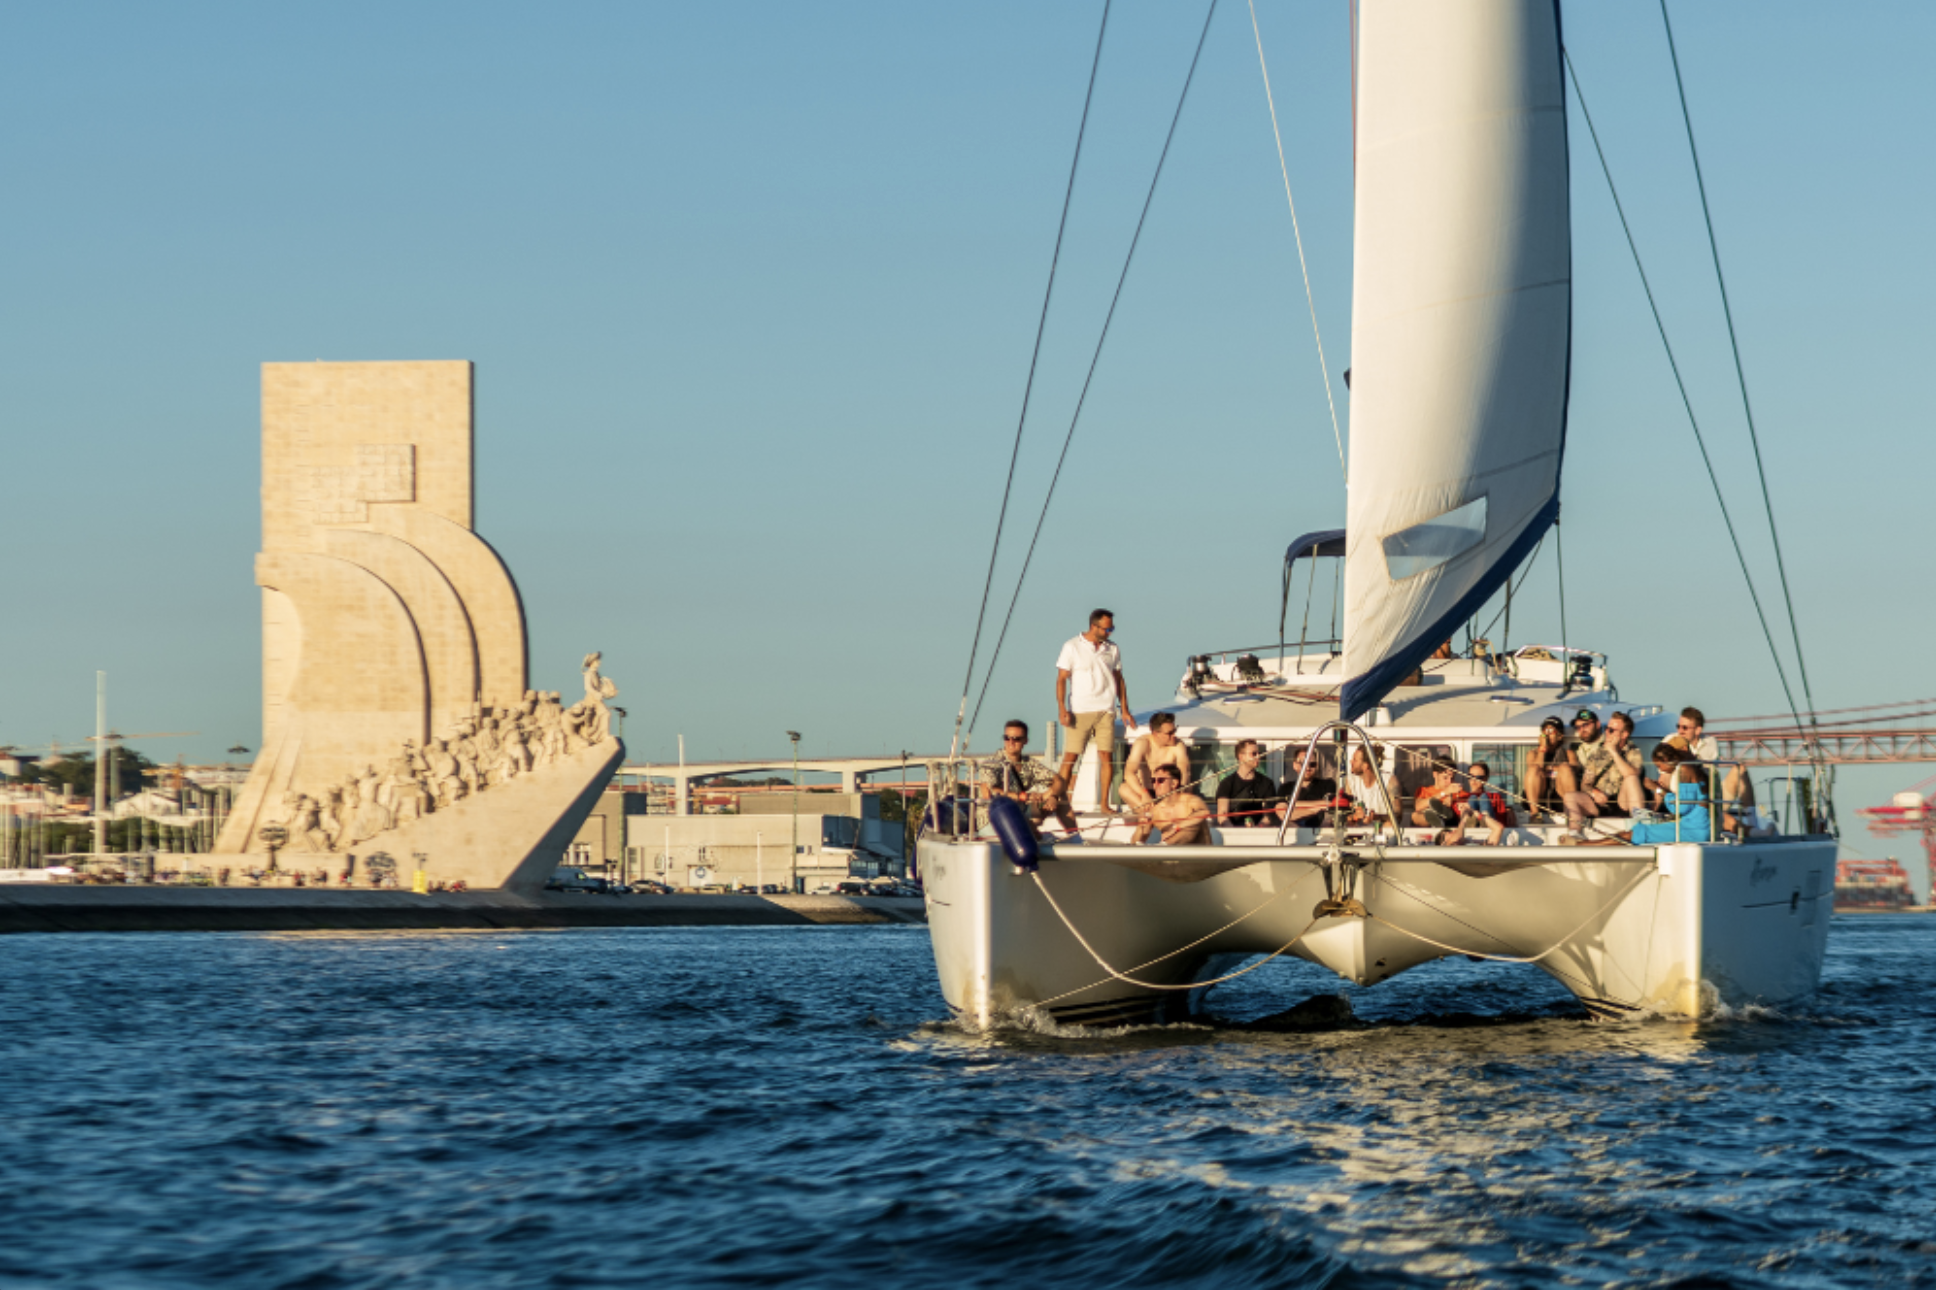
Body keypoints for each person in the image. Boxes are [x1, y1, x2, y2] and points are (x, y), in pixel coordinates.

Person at [1056, 609, 1132, 810]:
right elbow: (1062, 678)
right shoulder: (1071, 646)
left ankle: (1104, 803)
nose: (1110, 633)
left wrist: (1124, 708)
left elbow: (1119, 678)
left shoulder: (1112, 649)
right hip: (1080, 710)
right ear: (1094, 626)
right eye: (1107, 629)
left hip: (1106, 709)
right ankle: (1061, 801)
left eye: (1112, 628)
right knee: (1070, 756)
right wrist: (1062, 708)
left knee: (1106, 756)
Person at [1574, 745, 1711, 845]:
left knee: (1636, 833)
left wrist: (1661, 791)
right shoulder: (1690, 767)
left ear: (1664, 760)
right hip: (1694, 825)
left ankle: (1585, 845)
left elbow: (1682, 808)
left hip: (1693, 829)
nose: (1660, 770)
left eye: (1659, 766)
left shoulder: (1684, 770)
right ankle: (1588, 843)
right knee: (1634, 831)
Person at [979, 720, 1077, 836]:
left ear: (1025, 741)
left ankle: (1074, 836)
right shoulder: (993, 762)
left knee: (1060, 794)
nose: (1011, 742)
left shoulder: (1028, 763)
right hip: (995, 817)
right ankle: (1032, 832)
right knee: (1027, 814)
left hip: (1020, 812)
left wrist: (1053, 796)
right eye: (1007, 738)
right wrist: (1024, 796)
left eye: (1016, 739)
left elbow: (1059, 780)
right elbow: (987, 791)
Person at [1562, 710, 1645, 840]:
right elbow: (1585, 784)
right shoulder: (1598, 754)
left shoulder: (1633, 752)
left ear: (1624, 734)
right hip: (1599, 802)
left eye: (1612, 730)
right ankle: (1575, 833)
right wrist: (1594, 792)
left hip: (1622, 802)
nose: (1607, 732)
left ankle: (1640, 826)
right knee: (1570, 796)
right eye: (1607, 728)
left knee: (1631, 779)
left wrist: (1613, 752)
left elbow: (1631, 773)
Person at [1122, 712, 1191, 813]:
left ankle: (1155, 813)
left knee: (1188, 788)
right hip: (1146, 793)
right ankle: (1154, 813)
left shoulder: (1178, 745)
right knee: (1123, 788)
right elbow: (1129, 773)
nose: (1174, 736)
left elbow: (1184, 773)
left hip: (1169, 793)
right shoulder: (1142, 743)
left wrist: (1178, 793)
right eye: (1169, 733)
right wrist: (1144, 793)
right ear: (1155, 734)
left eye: (1174, 731)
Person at [1132, 766, 1210, 845]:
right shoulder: (1155, 811)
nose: (1155, 785)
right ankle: (1164, 846)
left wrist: (1177, 827)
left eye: (1160, 780)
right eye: (1153, 781)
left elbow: (1204, 813)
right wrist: (1140, 827)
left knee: (1192, 824)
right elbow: (1135, 842)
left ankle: (1165, 845)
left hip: (1199, 854)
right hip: (1171, 854)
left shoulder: (1190, 801)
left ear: (1173, 783)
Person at [1215, 739, 1282, 829]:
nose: (1258, 756)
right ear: (1241, 757)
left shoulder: (1267, 783)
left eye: (1259, 753)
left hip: (1260, 835)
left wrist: (1255, 830)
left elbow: (1269, 815)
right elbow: (1222, 815)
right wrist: (1234, 833)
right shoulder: (1226, 784)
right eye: (1254, 754)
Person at [1446, 762, 1513, 845]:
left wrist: (1509, 810)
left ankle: (1484, 817)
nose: (1474, 780)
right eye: (1470, 777)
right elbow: (1455, 820)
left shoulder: (1494, 796)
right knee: (1473, 798)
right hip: (1467, 827)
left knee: (1483, 797)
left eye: (1479, 777)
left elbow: (1501, 820)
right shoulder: (1461, 797)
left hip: (1489, 829)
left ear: (1486, 779)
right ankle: (1473, 819)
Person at [1342, 745, 1399, 827]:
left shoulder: (1390, 781)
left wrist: (1375, 817)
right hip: (1356, 832)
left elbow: (1397, 815)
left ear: (1365, 766)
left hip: (1381, 831)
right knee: (1348, 825)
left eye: (1355, 760)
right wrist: (1355, 817)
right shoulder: (1350, 782)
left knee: (1390, 824)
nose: (1351, 762)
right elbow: (1345, 814)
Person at [1526, 717, 1569, 818]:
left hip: (1559, 794)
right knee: (1534, 769)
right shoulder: (1533, 754)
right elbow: (1537, 768)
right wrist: (1543, 748)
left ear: (1560, 736)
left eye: (1551, 731)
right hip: (1539, 795)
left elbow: (1572, 772)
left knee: (1565, 768)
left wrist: (1547, 769)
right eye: (1545, 731)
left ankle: (1571, 813)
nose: (1547, 735)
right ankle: (1535, 814)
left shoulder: (1568, 754)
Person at [1285, 748, 1339, 826]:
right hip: (1293, 834)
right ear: (1295, 765)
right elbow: (1282, 812)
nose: (1308, 767)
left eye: (1312, 764)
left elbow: (1329, 804)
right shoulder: (1286, 788)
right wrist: (1317, 808)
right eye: (1303, 763)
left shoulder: (1328, 784)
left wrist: (1295, 805)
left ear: (1316, 766)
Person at [1412, 759, 1463, 834]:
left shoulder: (1458, 790)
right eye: (1445, 778)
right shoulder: (1423, 790)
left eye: (1452, 778)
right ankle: (1438, 820)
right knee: (1415, 815)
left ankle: (1442, 816)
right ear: (1435, 775)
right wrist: (1444, 792)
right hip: (1427, 826)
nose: (1449, 782)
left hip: (1452, 822)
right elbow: (1418, 806)